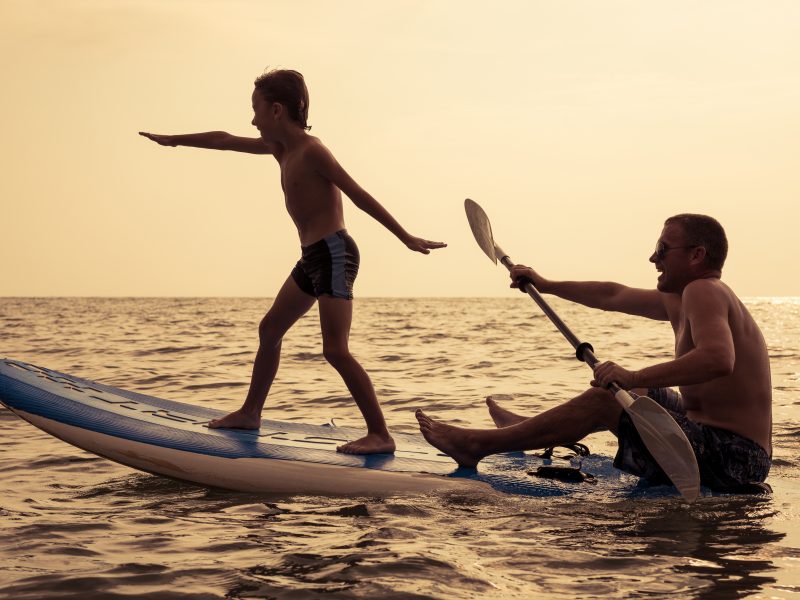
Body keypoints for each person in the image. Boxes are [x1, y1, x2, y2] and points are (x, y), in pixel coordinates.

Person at [141, 68, 446, 455]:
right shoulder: (279, 148)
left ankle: (380, 434)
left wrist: (405, 237)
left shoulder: (312, 150)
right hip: (312, 257)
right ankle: (251, 412)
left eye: (256, 109)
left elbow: (357, 193)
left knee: (335, 349)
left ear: (277, 110)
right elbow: (224, 140)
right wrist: (174, 141)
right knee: (269, 330)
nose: (252, 119)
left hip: (335, 252)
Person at [416, 214, 772, 491]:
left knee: (608, 399)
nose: (653, 258)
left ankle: (476, 444)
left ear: (697, 255)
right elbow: (610, 295)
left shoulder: (703, 290)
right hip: (715, 438)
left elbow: (718, 359)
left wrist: (631, 376)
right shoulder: (685, 297)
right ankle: (525, 429)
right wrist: (548, 285)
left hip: (736, 459)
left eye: (663, 250)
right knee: (637, 395)